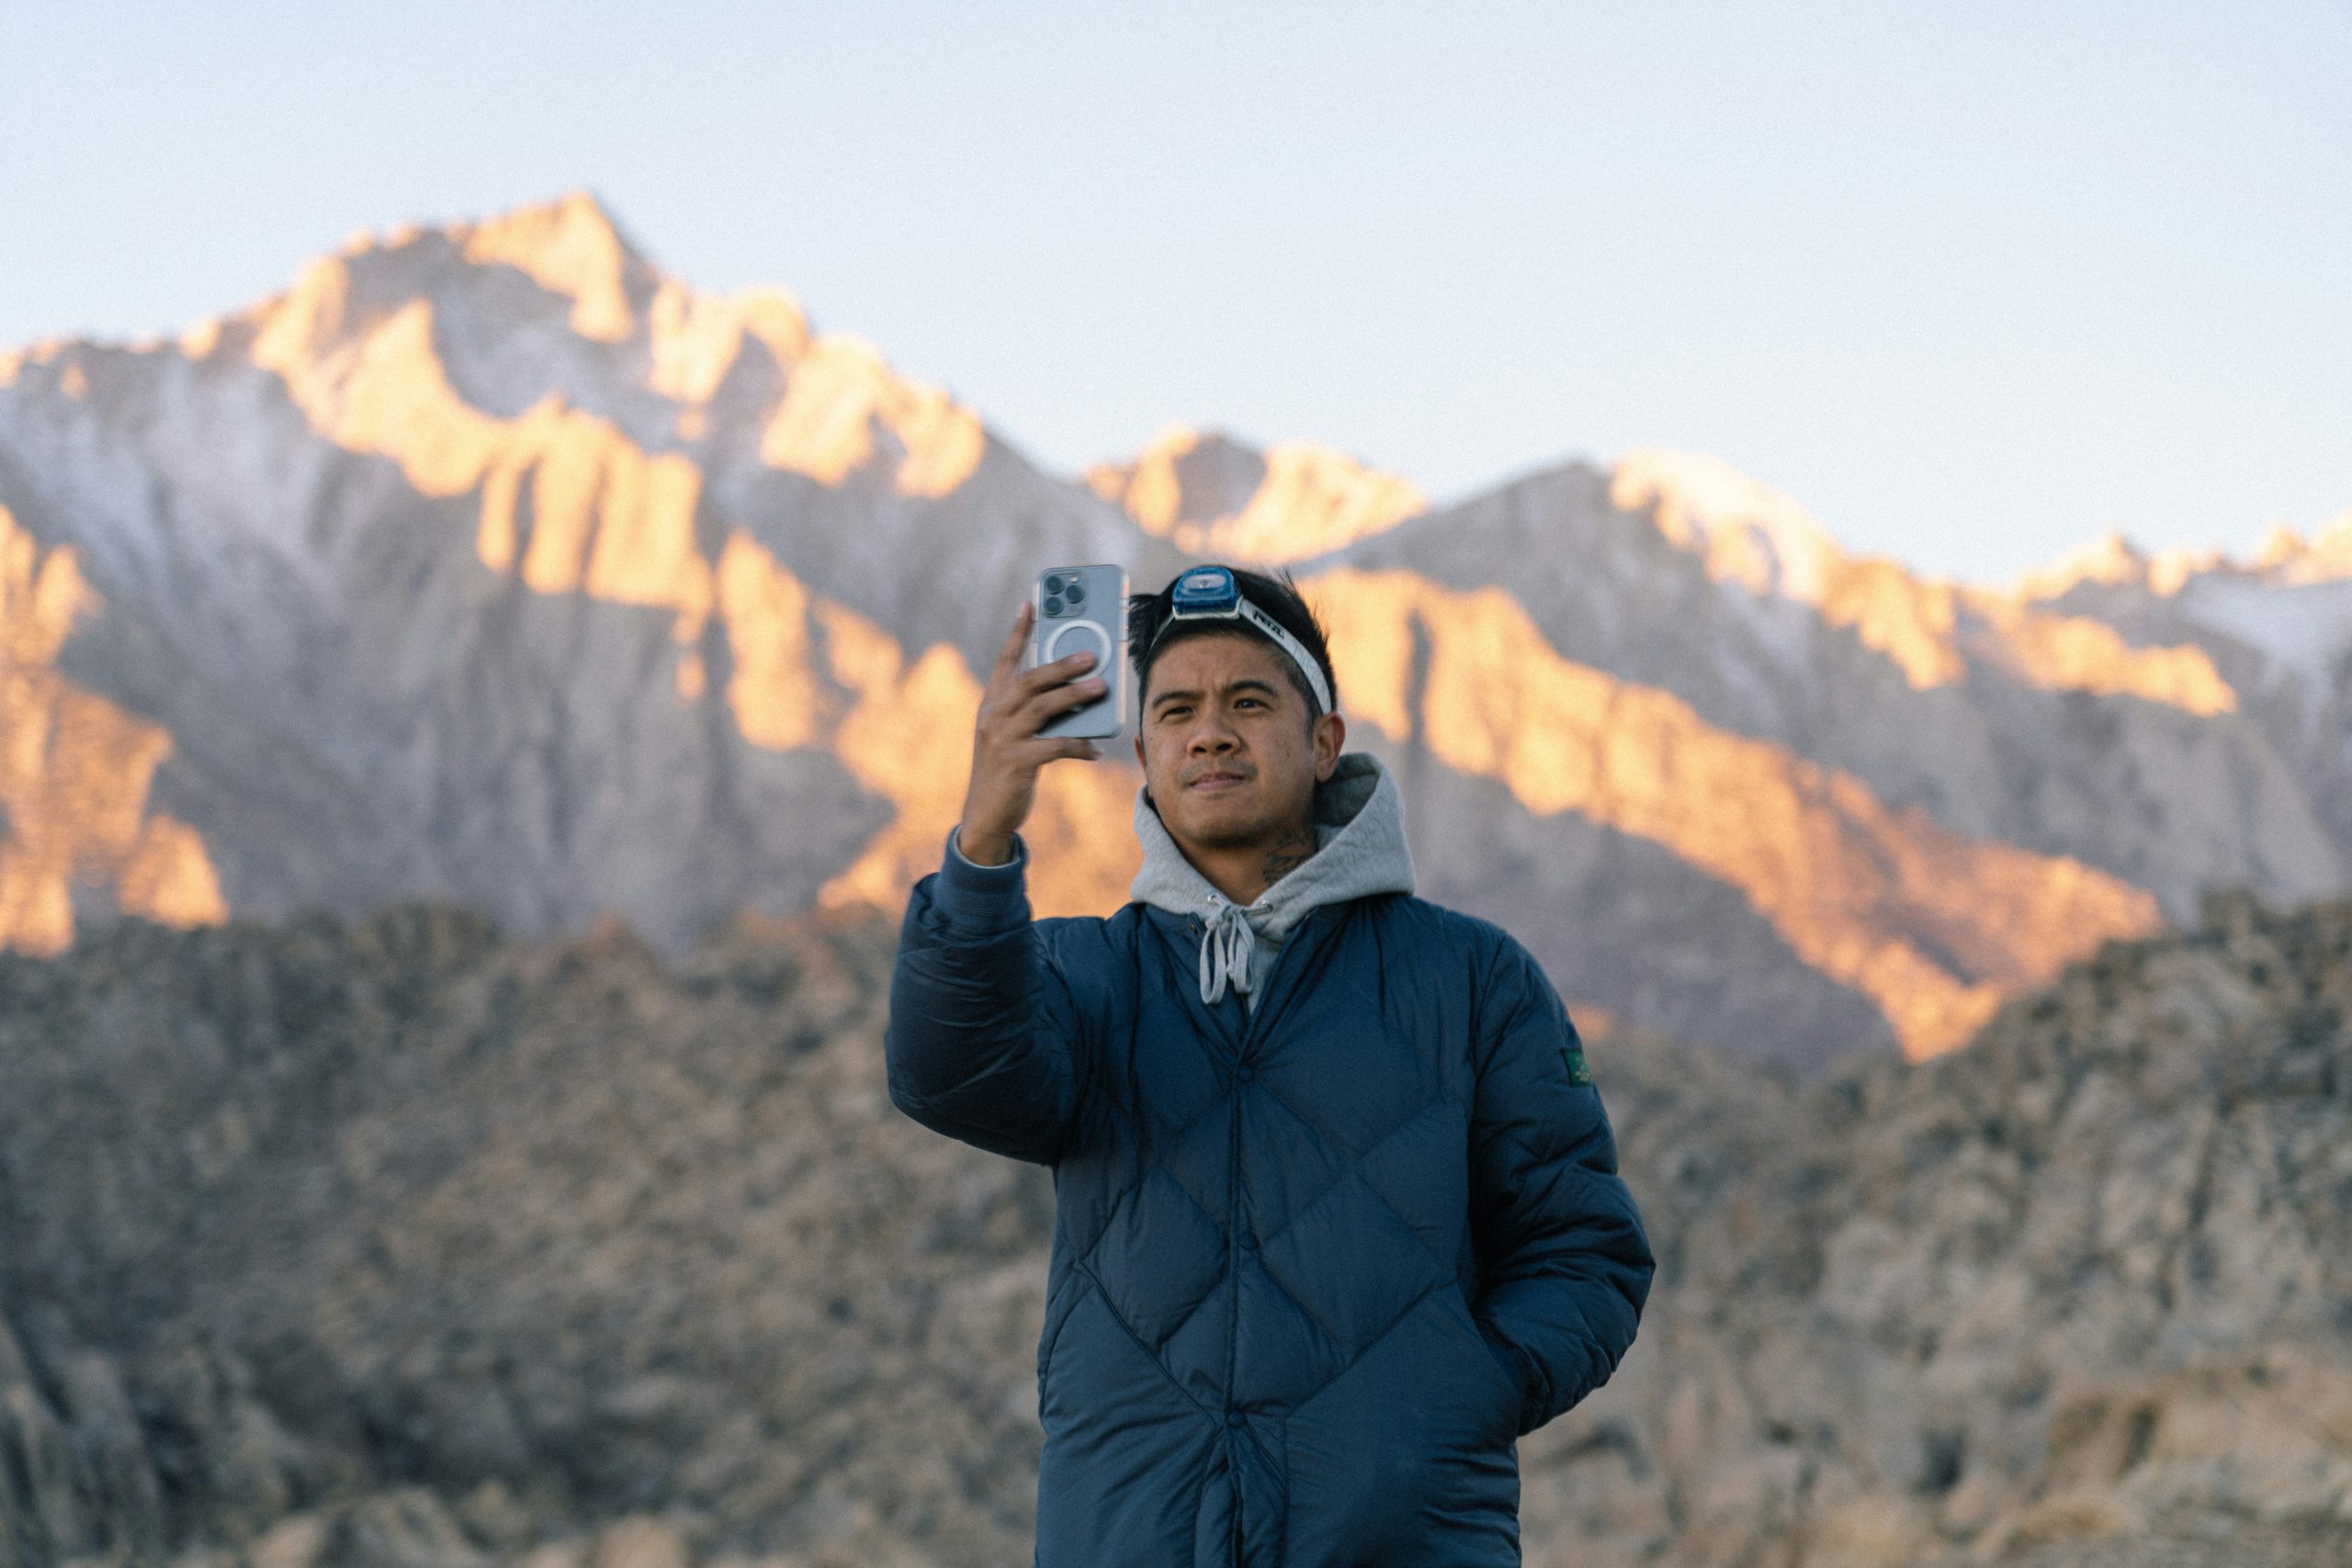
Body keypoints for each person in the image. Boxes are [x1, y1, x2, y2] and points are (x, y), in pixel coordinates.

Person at [886, 564, 1655, 1566]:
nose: (1210, 732)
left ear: (1324, 742)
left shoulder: (1470, 979)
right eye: (1176, 711)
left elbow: (1585, 1250)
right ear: (1144, 756)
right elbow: (948, 1074)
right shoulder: (1082, 976)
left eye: (1248, 702)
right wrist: (985, 836)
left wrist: (1466, 1390)